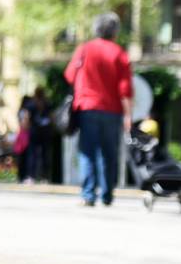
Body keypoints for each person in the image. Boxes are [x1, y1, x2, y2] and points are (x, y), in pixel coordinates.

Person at [65, 13, 132, 207]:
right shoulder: (120, 53)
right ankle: (107, 195)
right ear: (115, 32)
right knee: (109, 153)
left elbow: (70, 75)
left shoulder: (84, 49)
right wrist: (128, 115)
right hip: (112, 110)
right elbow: (125, 88)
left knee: (87, 151)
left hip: (87, 107)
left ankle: (88, 194)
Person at [17, 86, 54, 184]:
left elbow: (26, 117)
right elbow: (51, 117)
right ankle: (45, 177)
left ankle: (31, 176)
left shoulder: (31, 104)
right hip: (45, 132)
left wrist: (25, 127)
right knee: (45, 155)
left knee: (32, 154)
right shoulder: (48, 103)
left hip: (34, 131)